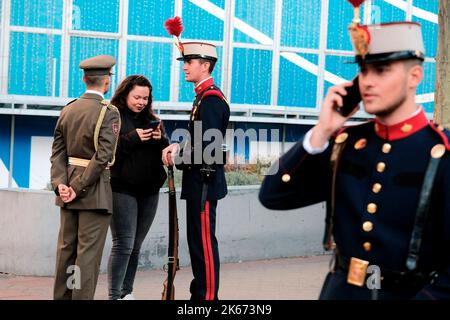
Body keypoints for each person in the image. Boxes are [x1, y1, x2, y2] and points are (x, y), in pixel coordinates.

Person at [259, 20, 450, 300]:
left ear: (414, 77)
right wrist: (321, 131)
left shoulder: (441, 153)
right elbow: (273, 195)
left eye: (381, 70)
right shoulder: (344, 144)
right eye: (363, 70)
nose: (368, 81)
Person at [162, 39, 230, 299]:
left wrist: (177, 159)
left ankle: (207, 298)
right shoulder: (203, 97)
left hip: (204, 183)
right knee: (197, 245)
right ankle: (200, 294)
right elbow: (199, 141)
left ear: (205, 65)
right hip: (198, 182)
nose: (184, 67)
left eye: (189, 62)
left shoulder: (211, 99)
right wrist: (178, 149)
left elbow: (208, 150)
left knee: (204, 247)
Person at [50, 55, 120, 300]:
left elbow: (58, 151)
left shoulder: (68, 109)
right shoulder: (108, 113)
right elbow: (103, 157)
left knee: (67, 252)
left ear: (84, 78)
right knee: (86, 258)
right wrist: (77, 187)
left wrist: (61, 186)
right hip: (93, 193)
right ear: (107, 82)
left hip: (67, 191)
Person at [107, 75, 169, 300]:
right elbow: (107, 151)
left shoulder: (153, 119)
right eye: (136, 97)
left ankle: (127, 292)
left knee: (136, 245)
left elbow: (165, 152)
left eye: (145, 98)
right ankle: (114, 295)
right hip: (121, 189)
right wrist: (132, 138)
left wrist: (162, 140)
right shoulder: (112, 116)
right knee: (123, 244)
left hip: (149, 190)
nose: (141, 102)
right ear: (125, 94)